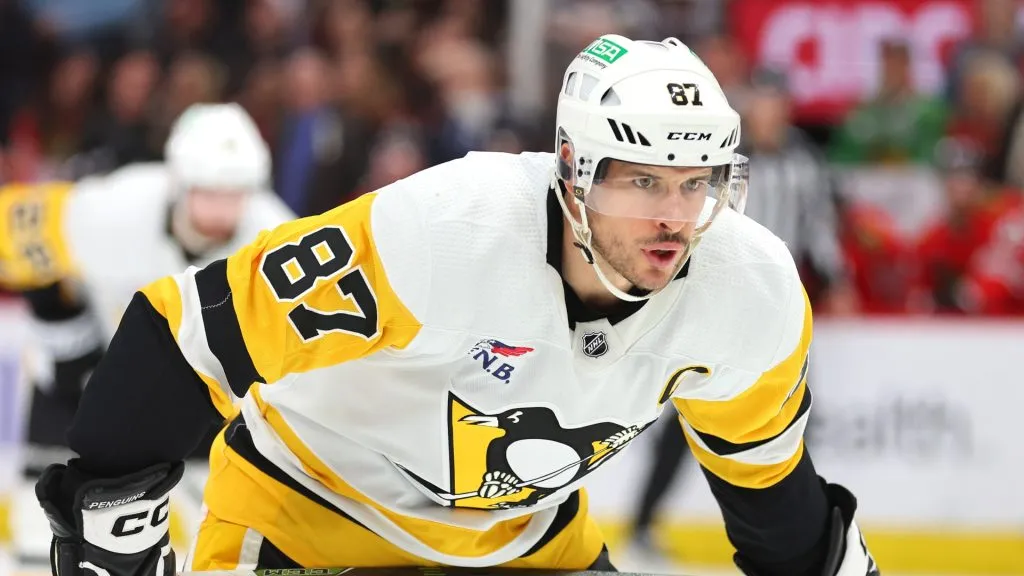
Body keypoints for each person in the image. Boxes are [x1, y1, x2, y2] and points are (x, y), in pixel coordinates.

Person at [33, 35, 878, 576]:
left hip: (523, 539)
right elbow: (188, 333)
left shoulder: (750, 286)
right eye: (645, 182)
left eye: (698, 185)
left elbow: (772, 502)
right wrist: (111, 516)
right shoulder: (445, 225)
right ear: (574, 171)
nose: (673, 219)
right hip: (314, 507)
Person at [0, 103, 294, 566]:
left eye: (236, 193)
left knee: (220, 534)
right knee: (43, 535)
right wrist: (65, 336)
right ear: (179, 182)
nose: (223, 209)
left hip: (200, 389)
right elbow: (14, 238)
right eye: (210, 192)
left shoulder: (276, 235)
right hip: (88, 374)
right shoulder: (112, 207)